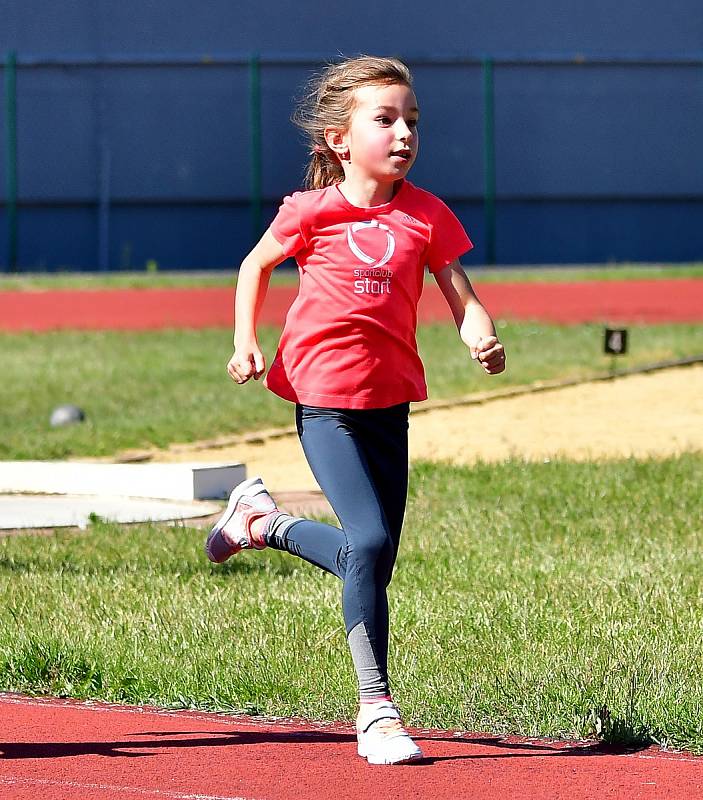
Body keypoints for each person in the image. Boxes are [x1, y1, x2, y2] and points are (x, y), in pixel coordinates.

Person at [205, 55, 506, 765]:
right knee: (366, 547)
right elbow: (256, 264)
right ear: (340, 140)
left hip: (388, 402)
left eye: (411, 120)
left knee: (374, 562)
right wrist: (247, 340)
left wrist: (479, 332)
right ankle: (376, 711)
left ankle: (261, 521)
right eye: (385, 119)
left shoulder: (426, 213)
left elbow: (456, 289)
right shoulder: (312, 210)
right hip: (323, 400)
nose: (403, 132)